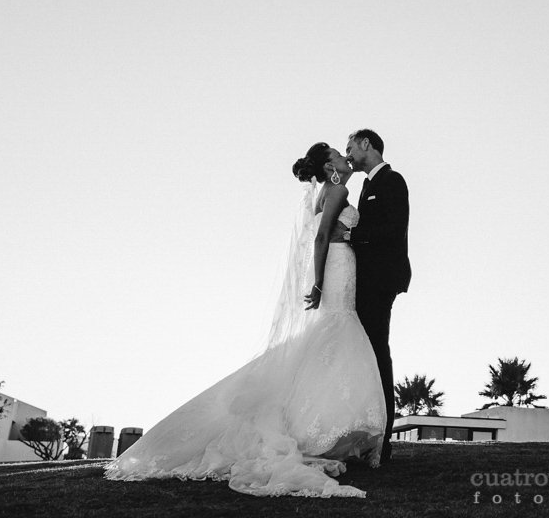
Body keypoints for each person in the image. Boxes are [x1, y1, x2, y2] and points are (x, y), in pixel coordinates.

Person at [104, 143, 386, 498]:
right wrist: (316, 281)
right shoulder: (339, 189)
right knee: (340, 330)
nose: (343, 156)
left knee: (330, 340)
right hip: (336, 268)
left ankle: (330, 430)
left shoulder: (322, 194)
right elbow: (319, 236)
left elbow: (321, 232)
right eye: (336, 152)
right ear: (329, 165)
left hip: (338, 265)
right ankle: (329, 430)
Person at [344, 128, 410, 464]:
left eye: (350, 147)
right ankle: (369, 433)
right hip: (366, 280)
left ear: (366, 144)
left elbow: (393, 229)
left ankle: (383, 439)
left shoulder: (392, 180)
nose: (348, 154)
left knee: (377, 354)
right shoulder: (365, 185)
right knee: (367, 354)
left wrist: (354, 235)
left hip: (382, 280)